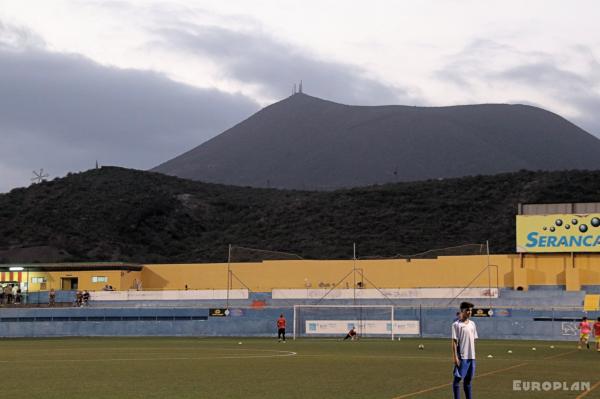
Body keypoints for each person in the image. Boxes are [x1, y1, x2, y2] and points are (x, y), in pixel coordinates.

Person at [452, 301, 478, 399]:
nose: (470, 312)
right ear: (462, 311)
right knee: (457, 380)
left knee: (468, 381)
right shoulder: (456, 325)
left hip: (472, 358)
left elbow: (474, 339)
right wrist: (455, 357)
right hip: (462, 357)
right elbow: (454, 342)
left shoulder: (473, 324)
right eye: (468, 310)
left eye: (471, 310)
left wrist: (473, 353)